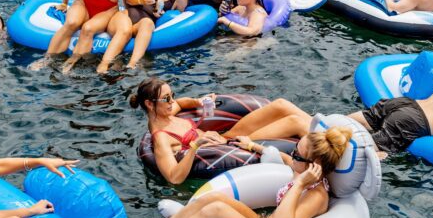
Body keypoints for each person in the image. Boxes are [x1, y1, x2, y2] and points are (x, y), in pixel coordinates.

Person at [118, 126, 351, 218]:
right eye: (294, 148)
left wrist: (299, 185)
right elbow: (285, 159)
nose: (292, 155)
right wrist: (253, 146)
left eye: (297, 154)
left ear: (315, 165)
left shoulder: (315, 194)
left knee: (215, 210)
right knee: (213, 197)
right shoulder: (302, 170)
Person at [128, 78, 312, 185]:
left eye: (171, 95)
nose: (171, 101)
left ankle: (327, 126)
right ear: (149, 104)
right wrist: (195, 146)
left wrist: (198, 101)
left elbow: (180, 103)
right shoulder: (161, 138)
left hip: (226, 137)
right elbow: (174, 177)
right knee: (294, 123)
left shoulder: (166, 112)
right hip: (233, 146)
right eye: (166, 98)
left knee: (280, 104)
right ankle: (332, 144)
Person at [100, 0, 191, 73]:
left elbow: (176, 21)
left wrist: (161, 15)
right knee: (125, 31)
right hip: (124, 17)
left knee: (147, 22)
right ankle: (103, 66)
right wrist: (141, 0)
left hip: (139, 27)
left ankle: (132, 65)